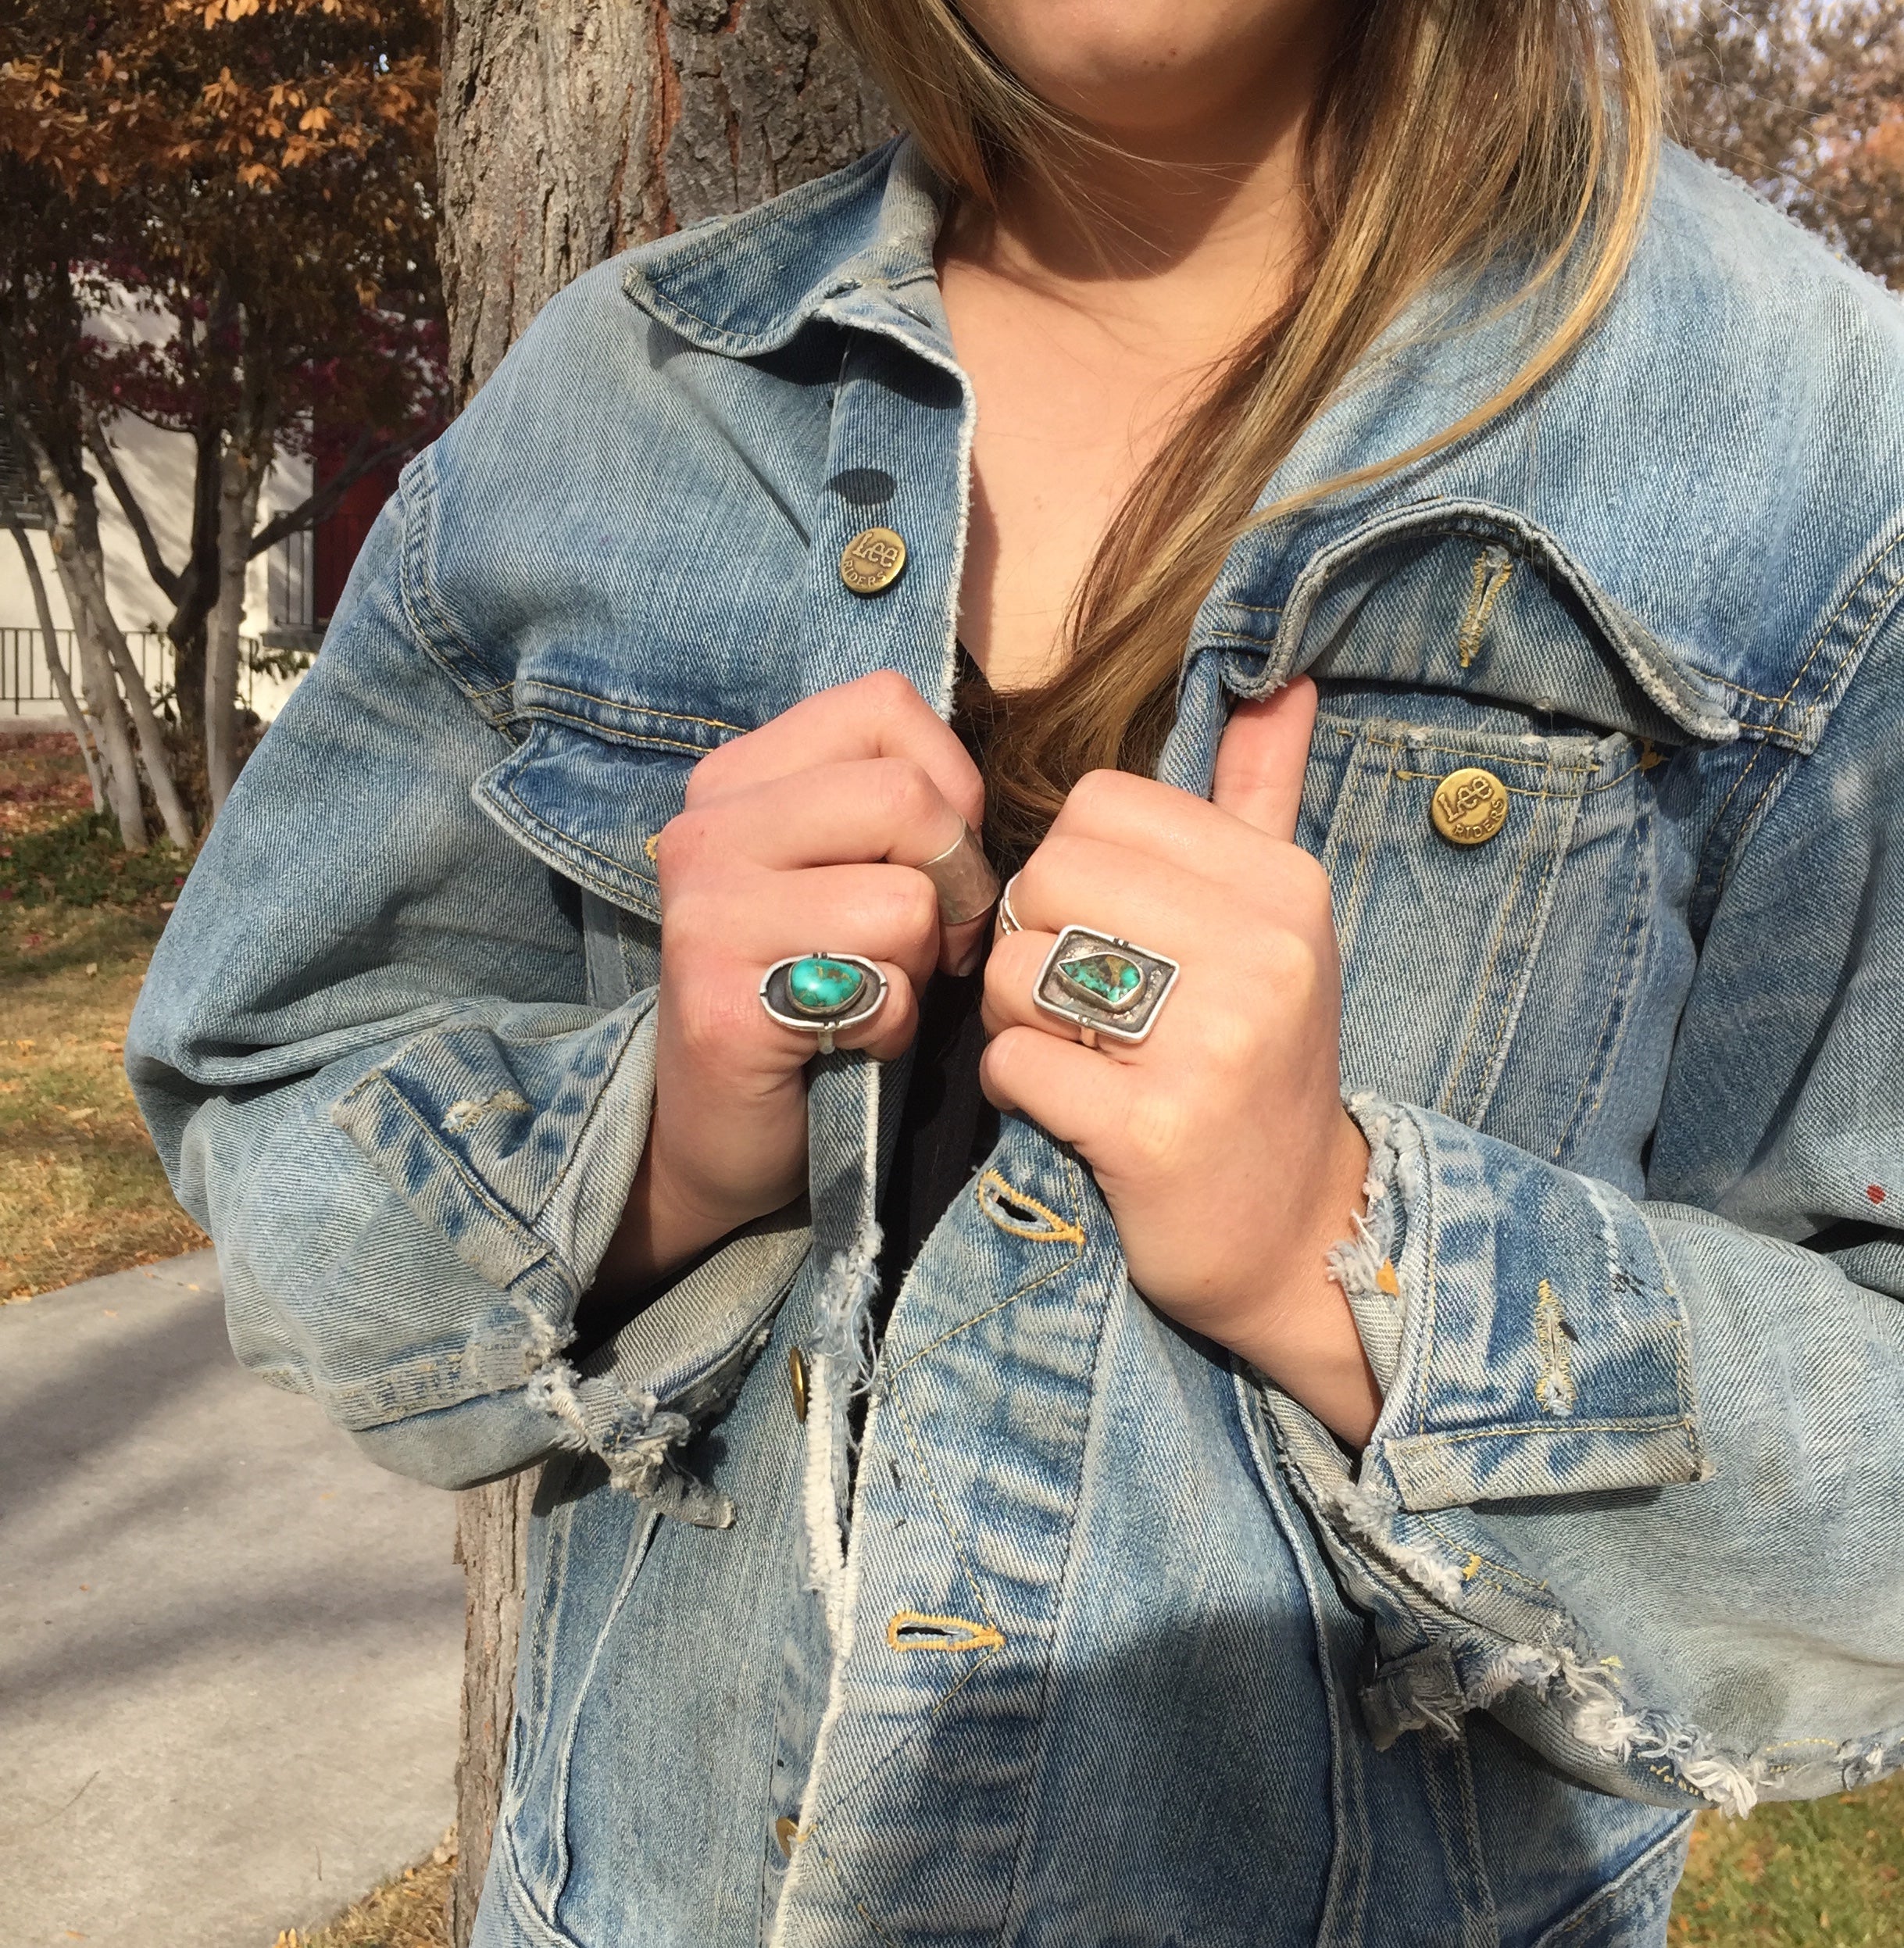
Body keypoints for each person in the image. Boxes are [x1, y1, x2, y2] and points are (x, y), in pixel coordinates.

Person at [129, 0, 1904, 1940]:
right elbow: (257, 1089)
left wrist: (1343, 1242)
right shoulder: (621, 403)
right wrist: (663, 1141)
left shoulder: (1817, 460)